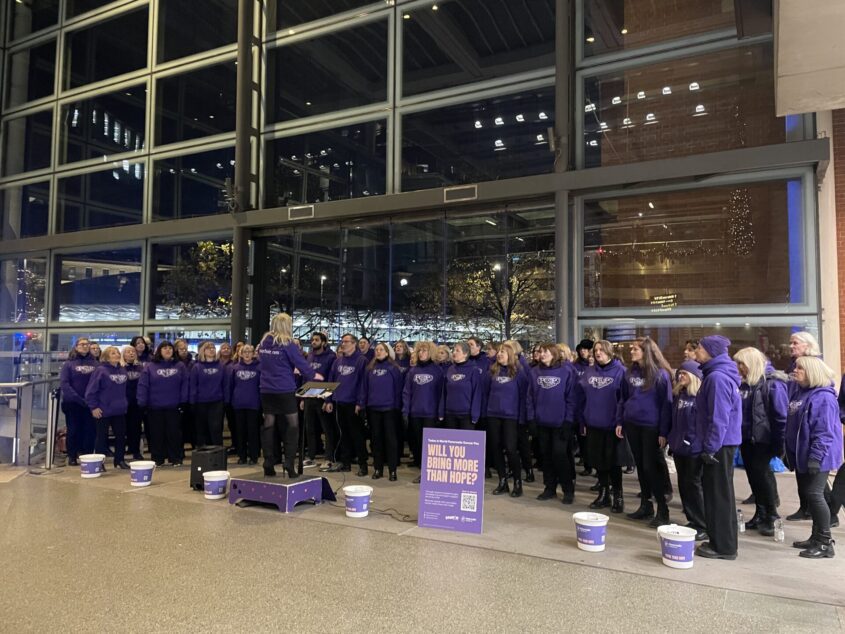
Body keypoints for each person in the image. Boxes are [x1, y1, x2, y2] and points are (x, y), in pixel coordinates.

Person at [786, 356, 843, 558]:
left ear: (812, 372)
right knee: (810, 495)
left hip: (819, 455)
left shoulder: (823, 398)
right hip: (803, 454)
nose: (796, 370)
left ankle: (826, 543)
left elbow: (825, 432)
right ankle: (815, 536)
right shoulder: (800, 392)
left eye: (800, 368)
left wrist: (815, 458)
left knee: (815, 495)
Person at [693, 335, 742, 560]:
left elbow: (719, 418)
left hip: (719, 446)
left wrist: (710, 448)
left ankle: (723, 546)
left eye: (699, 349)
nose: (696, 353)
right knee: (721, 494)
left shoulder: (717, 378)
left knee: (718, 496)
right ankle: (722, 541)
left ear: (711, 352)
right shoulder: (717, 375)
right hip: (722, 443)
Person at [616, 337, 674, 527]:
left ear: (646, 352)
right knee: (641, 466)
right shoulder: (629, 372)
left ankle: (662, 511)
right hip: (632, 424)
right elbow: (623, 398)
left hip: (651, 427)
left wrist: (663, 432)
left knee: (651, 468)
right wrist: (620, 421)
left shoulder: (660, 375)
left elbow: (666, 405)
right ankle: (646, 505)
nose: (631, 351)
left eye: (635, 349)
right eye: (631, 348)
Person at [257, 313, 321, 478]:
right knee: (293, 426)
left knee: (269, 425)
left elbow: (264, 364)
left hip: (266, 389)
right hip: (284, 389)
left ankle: (268, 461)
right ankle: (289, 463)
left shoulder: (264, 343)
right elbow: (301, 363)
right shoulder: (288, 344)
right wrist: (314, 375)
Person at [733, 347, 788, 536]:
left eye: (742, 363)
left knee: (763, 477)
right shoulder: (745, 384)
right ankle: (760, 512)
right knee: (754, 478)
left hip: (763, 440)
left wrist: (778, 445)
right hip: (747, 439)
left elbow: (781, 417)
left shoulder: (772, 384)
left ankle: (771, 515)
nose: (739, 367)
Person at [574, 340, 626, 513]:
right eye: (595, 350)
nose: (597, 353)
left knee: (613, 462)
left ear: (610, 352)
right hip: (593, 423)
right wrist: (583, 421)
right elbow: (581, 398)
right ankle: (604, 494)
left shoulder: (620, 371)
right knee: (598, 461)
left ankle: (618, 495)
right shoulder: (589, 372)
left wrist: (620, 422)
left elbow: (623, 400)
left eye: (601, 350)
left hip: (611, 425)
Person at [663, 361, 707, 540]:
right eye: (679, 373)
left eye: (685, 374)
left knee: (694, 486)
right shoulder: (679, 396)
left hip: (694, 449)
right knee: (684, 486)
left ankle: (703, 523)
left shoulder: (699, 397)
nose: (680, 376)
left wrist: (691, 442)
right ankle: (692, 519)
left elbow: (699, 426)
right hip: (679, 447)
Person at [528, 343, 577, 504]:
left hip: (560, 423)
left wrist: (568, 421)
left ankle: (568, 489)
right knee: (546, 457)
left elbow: (571, 398)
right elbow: (529, 397)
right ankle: (549, 487)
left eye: (545, 352)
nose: (541, 354)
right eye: (540, 351)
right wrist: (531, 419)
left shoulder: (567, 371)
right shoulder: (534, 372)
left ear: (554, 353)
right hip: (542, 422)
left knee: (560, 455)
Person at [486, 342, 529, 497]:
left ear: (510, 355)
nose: (499, 354)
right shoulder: (492, 371)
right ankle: (502, 481)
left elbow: (524, 396)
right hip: (493, 415)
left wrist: (523, 419)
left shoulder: (519, 372)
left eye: (503, 352)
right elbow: (486, 393)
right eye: (499, 352)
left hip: (511, 416)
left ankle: (517, 482)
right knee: (496, 448)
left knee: (511, 449)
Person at [138, 341, 189, 467]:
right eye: (164, 348)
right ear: (159, 351)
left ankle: (175, 458)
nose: (168, 350)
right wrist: (142, 402)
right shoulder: (150, 366)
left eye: (170, 348)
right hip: (154, 406)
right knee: (156, 434)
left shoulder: (180, 366)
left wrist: (183, 401)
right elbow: (143, 385)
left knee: (174, 434)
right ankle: (158, 458)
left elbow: (185, 384)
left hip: (174, 406)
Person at [357, 342, 403, 481]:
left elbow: (398, 390)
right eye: (376, 350)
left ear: (387, 352)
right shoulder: (369, 368)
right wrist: (362, 405)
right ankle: (378, 469)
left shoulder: (394, 368)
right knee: (376, 440)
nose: (378, 352)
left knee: (390, 441)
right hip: (373, 409)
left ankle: (392, 470)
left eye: (381, 349)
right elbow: (364, 388)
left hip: (389, 409)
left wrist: (397, 408)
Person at [325, 333, 367, 474]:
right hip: (339, 402)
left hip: (353, 403)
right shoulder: (338, 361)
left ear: (354, 344)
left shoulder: (361, 360)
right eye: (342, 341)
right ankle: (345, 462)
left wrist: (360, 402)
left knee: (357, 435)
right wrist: (328, 400)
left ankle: (363, 464)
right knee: (343, 435)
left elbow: (363, 383)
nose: (343, 344)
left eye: (346, 341)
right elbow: (331, 381)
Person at [403, 341, 444, 482]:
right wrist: (405, 410)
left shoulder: (438, 371)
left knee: (430, 447)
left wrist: (440, 413)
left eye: (424, 351)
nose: (421, 353)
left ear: (431, 352)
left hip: (431, 414)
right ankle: (423, 471)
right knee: (418, 444)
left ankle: (430, 473)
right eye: (419, 351)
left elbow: (441, 394)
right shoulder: (412, 371)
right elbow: (407, 392)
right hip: (415, 413)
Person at [86, 346, 130, 470]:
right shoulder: (100, 370)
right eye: (112, 353)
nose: (116, 354)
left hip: (119, 409)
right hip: (103, 409)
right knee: (101, 437)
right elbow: (91, 390)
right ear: (106, 356)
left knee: (121, 436)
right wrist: (93, 407)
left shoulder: (122, 370)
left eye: (117, 353)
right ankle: (99, 462)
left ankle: (119, 460)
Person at [60, 338, 99, 466]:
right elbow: (65, 384)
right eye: (82, 344)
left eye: (87, 344)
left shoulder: (95, 363)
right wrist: (78, 399)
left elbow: (98, 382)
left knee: (90, 430)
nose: (85, 346)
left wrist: (90, 400)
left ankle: (87, 455)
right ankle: (72, 455)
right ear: (76, 347)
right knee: (73, 430)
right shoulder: (69, 364)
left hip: (91, 403)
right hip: (73, 403)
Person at [303, 333, 336, 468]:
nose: (313, 342)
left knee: (327, 429)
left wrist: (328, 400)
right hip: (309, 395)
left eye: (316, 340)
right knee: (309, 428)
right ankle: (311, 456)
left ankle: (328, 458)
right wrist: (303, 397)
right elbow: (306, 376)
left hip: (323, 395)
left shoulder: (331, 357)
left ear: (324, 342)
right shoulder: (309, 356)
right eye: (312, 340)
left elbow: (331, 377)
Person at [229, 344, 262, 465]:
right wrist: (231, 401)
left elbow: (261, 386)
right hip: (239, 404)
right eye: (245, 352)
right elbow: (231, 386)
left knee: (253, 432)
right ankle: (242, 456)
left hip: (253, 404)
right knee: (240, 432)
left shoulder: (259, 367)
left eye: (250, 351)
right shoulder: (235, 368)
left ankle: (254, 456)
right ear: (240, 354)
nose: (247, 354)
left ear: (254, 354)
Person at [190, 342, 226, 447]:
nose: (211, 350)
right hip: (200, 402)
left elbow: (225, 384)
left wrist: (225, 400)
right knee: (201, 429)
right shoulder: (196, 367)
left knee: (216, 429)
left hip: (217, 402)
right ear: (203, 351)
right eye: (208, 348)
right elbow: (193, 385)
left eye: (213, 348)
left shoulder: (221, 366)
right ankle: (202, 454)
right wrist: (192, 402)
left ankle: (218, 454)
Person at [439, 342, 481, 430]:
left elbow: (476, 394)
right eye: (453, 350)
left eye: (457, 351)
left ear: (465, 354)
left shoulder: (473, 370)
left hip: (466, 416)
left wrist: (475, 415)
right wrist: (441, 411)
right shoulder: (450, 369)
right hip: (450, 414)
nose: (454, 352)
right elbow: (444, 392)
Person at [123, 345, 145, 460]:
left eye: (133, 351)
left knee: (136, 428)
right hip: (124, 403)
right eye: (128, 352)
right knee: (124, 428)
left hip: (137, 402)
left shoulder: (141, 368)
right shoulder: (120, 368)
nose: (131, 353)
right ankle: (125, 449)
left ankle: (136, 451)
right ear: (123, 355)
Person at [174, 338, 195, 450]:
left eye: (185, 348)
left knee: (191, 425)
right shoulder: (174, 363)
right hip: (178, 398)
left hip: (190, 397)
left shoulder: (192, 363)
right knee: (178, 426)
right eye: (181, 349)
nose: (184, 351)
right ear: (176, 350)